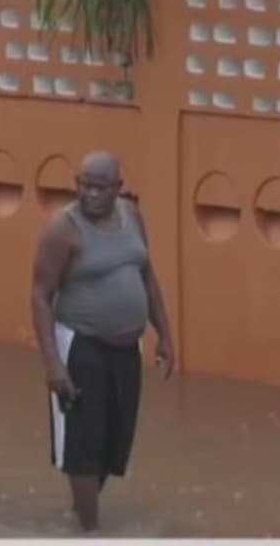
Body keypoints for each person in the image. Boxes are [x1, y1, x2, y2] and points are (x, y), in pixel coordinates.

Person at [30, 151, 175, 532]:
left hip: (127, 349)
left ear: (119, 188)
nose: (89, 194)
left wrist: (164, 334)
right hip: (80, 346)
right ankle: (90, 531)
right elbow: (41, 296)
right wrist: (53, 365)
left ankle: (78, 518)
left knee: (113, 440)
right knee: (82, 443)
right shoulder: (62, 229)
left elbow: (147, 275)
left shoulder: (132, 216)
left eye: (100, 187)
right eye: (83, 184)